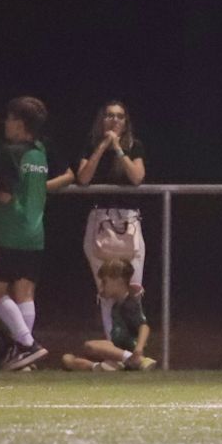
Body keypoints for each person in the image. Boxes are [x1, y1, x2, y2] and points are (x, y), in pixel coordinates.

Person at [0, 96, 73, 371]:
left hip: (10, 230)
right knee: (24, 292)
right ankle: (22, 357)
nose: (6, 123)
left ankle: (27, 345)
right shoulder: (41, 149)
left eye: (10, 118)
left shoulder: (9, 152)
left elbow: (4, 195)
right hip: (35, 231)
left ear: (20, 123)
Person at [76, 100, 147, 334]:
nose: (114, 120)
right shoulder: (91, 145)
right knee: (106, 291)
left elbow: (137, 177)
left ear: (125, 122)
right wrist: (102, 147)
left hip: (128, 224)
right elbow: (83, 178)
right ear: (101, 119)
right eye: (109, 115)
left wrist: (118, 148)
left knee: (132, 290)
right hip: (99, 223)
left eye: (119, 116)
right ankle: (114, 349)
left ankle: (135, 349)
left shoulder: (134, 146)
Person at [60, 259, 157, 371]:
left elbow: (144, 326)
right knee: (67, 359)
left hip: (130, 351)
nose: (101, 286)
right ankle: (103, 367)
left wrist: (139, 348)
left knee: (90, 346)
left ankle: (137, 360)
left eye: (104, 282)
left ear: (119, 281)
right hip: (118, 352)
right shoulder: (116, 307)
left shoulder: (130, 304)